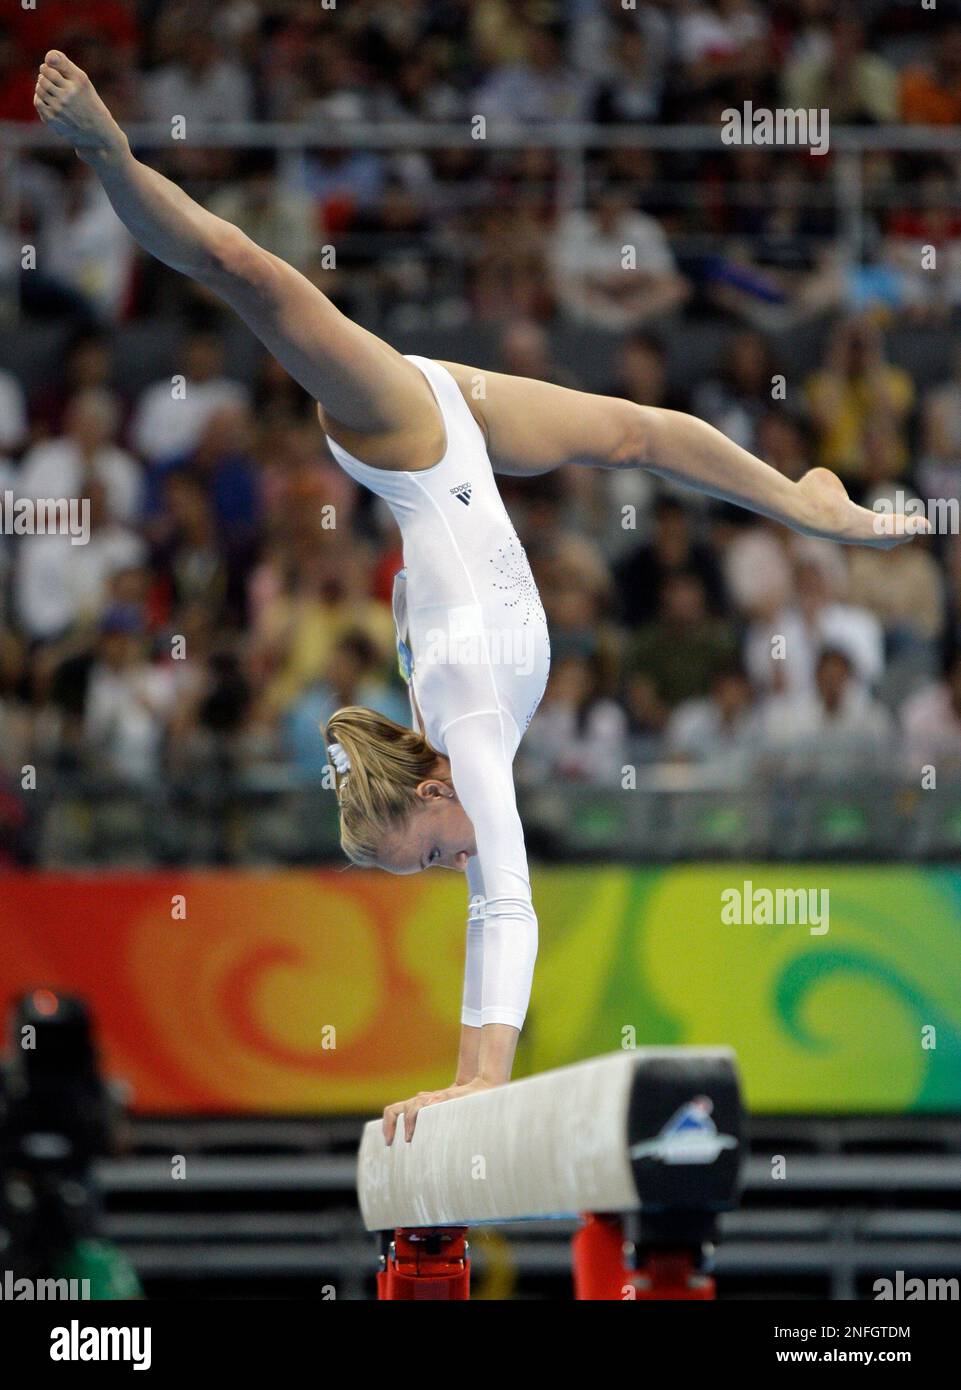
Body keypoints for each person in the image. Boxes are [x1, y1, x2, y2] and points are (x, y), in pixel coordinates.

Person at [32, 50, 928, 1141]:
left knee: (244, 271)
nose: (456, 857)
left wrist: (480, 1080)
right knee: (639, 434)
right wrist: (474, 1077)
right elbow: (487, 875)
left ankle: (108, 150)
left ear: (424, 792)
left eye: (430, 848)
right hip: (457, 424)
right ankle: (801, 502)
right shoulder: (447, 726)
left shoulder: (463, 726)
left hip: (405, 436)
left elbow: (506, 901)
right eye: (438, 863)